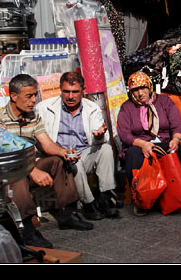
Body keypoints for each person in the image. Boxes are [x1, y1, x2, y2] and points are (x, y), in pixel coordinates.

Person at [0, 74, 93, 249]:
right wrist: (32, 171)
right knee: (18, 176)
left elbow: (46, 143)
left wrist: (63, 152)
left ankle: (67, 214)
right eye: (29, 96)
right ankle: (28, 230)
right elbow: (7, 156)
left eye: (35, 95)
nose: (34, 100)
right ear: (14, 96)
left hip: (29, 165)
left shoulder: (33, 117)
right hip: (9, 170)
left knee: (58, 161)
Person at [36, 71, 120, 221]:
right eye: (66, 91)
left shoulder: (91, 108)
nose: (70, 96)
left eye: (75, 92)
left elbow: (99, 135)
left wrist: (99, 135)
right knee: (76, 164)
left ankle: (105, 198)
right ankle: (88, 203)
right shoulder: (45, 108)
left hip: (84, 152)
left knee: (106, 149)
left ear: (83, 91)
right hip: (61, 155)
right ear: (60, 90)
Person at [117, 71, 181, 216]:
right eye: (135, 90)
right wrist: (142, 144)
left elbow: (177, 126)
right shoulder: (127, 107)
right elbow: (124, 134)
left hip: (164, 141)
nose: (140, 93)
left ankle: (175, 195)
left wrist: (175, 139)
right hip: (140, 144)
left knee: (177, 149)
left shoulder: (165, 102)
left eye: (143, 88)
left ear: (150, 87)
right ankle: (141, 200)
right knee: (132, 154)